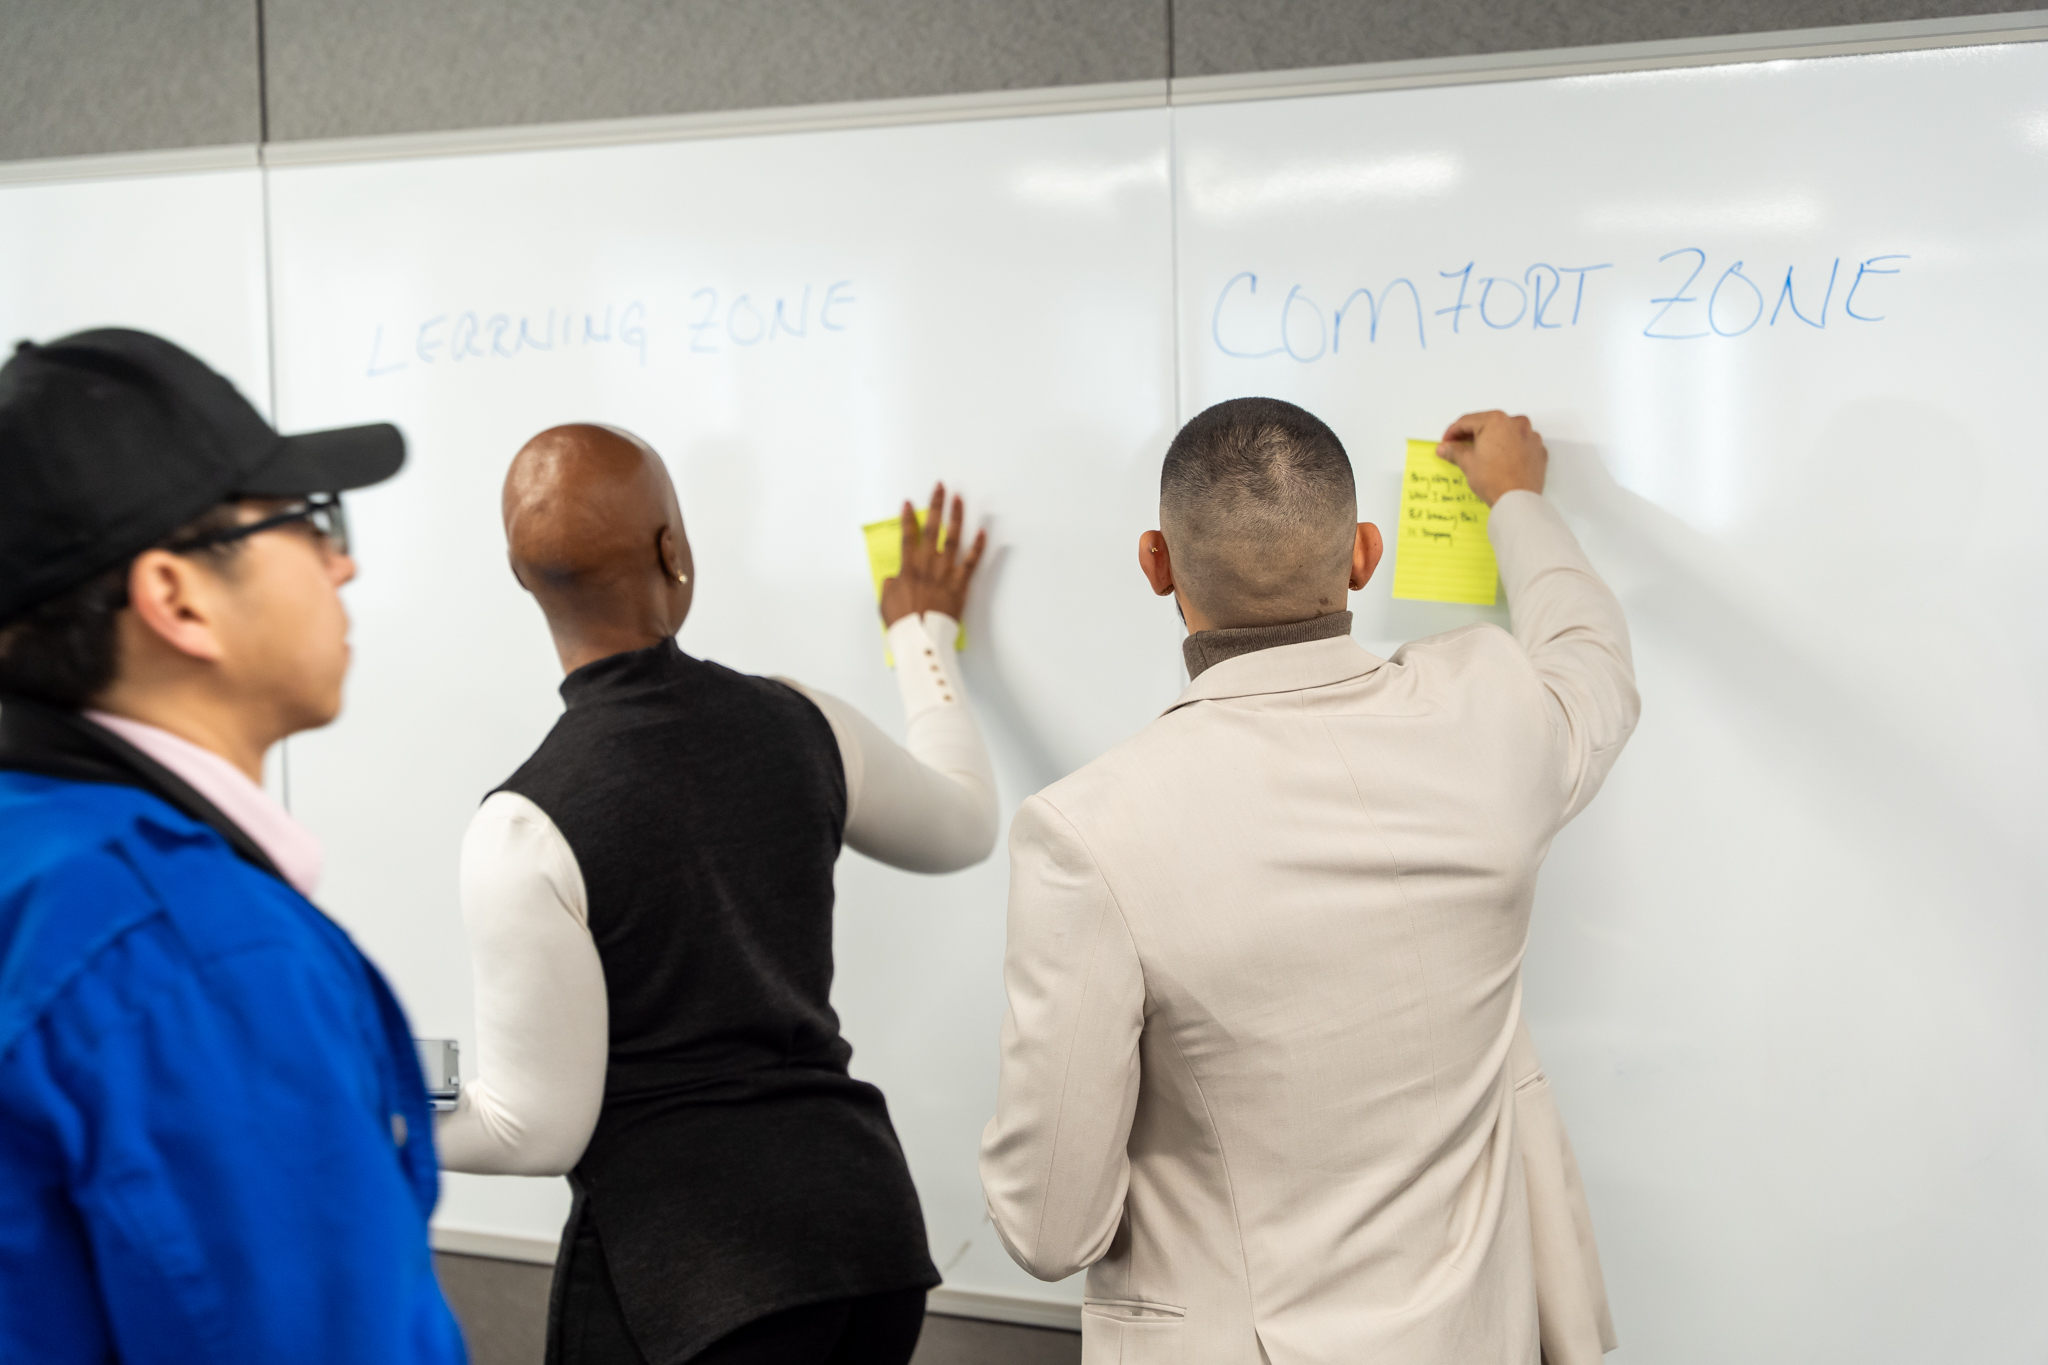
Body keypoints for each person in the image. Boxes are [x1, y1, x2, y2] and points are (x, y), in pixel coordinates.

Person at [980, 400, 1639, 1365]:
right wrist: (1517, 501)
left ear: (1156, 564)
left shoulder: (1090, 831)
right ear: (1364, 553)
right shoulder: (1491, 719)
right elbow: (1593, 659)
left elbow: (1049, 1228)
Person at [435, 424, 999, 1365]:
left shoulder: (524, 824)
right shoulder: (801, 722)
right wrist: (919, 634)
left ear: (521, 577)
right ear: (674, 550)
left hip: (693, 1288)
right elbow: (966, 823)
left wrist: (363, 1114)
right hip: (866, 1250)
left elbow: (532, 1129)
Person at [0, 329, 466, 1364]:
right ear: (179, 598)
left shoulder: (35, 860)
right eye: (307, 521)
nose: (342, 562)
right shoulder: (196, 960)